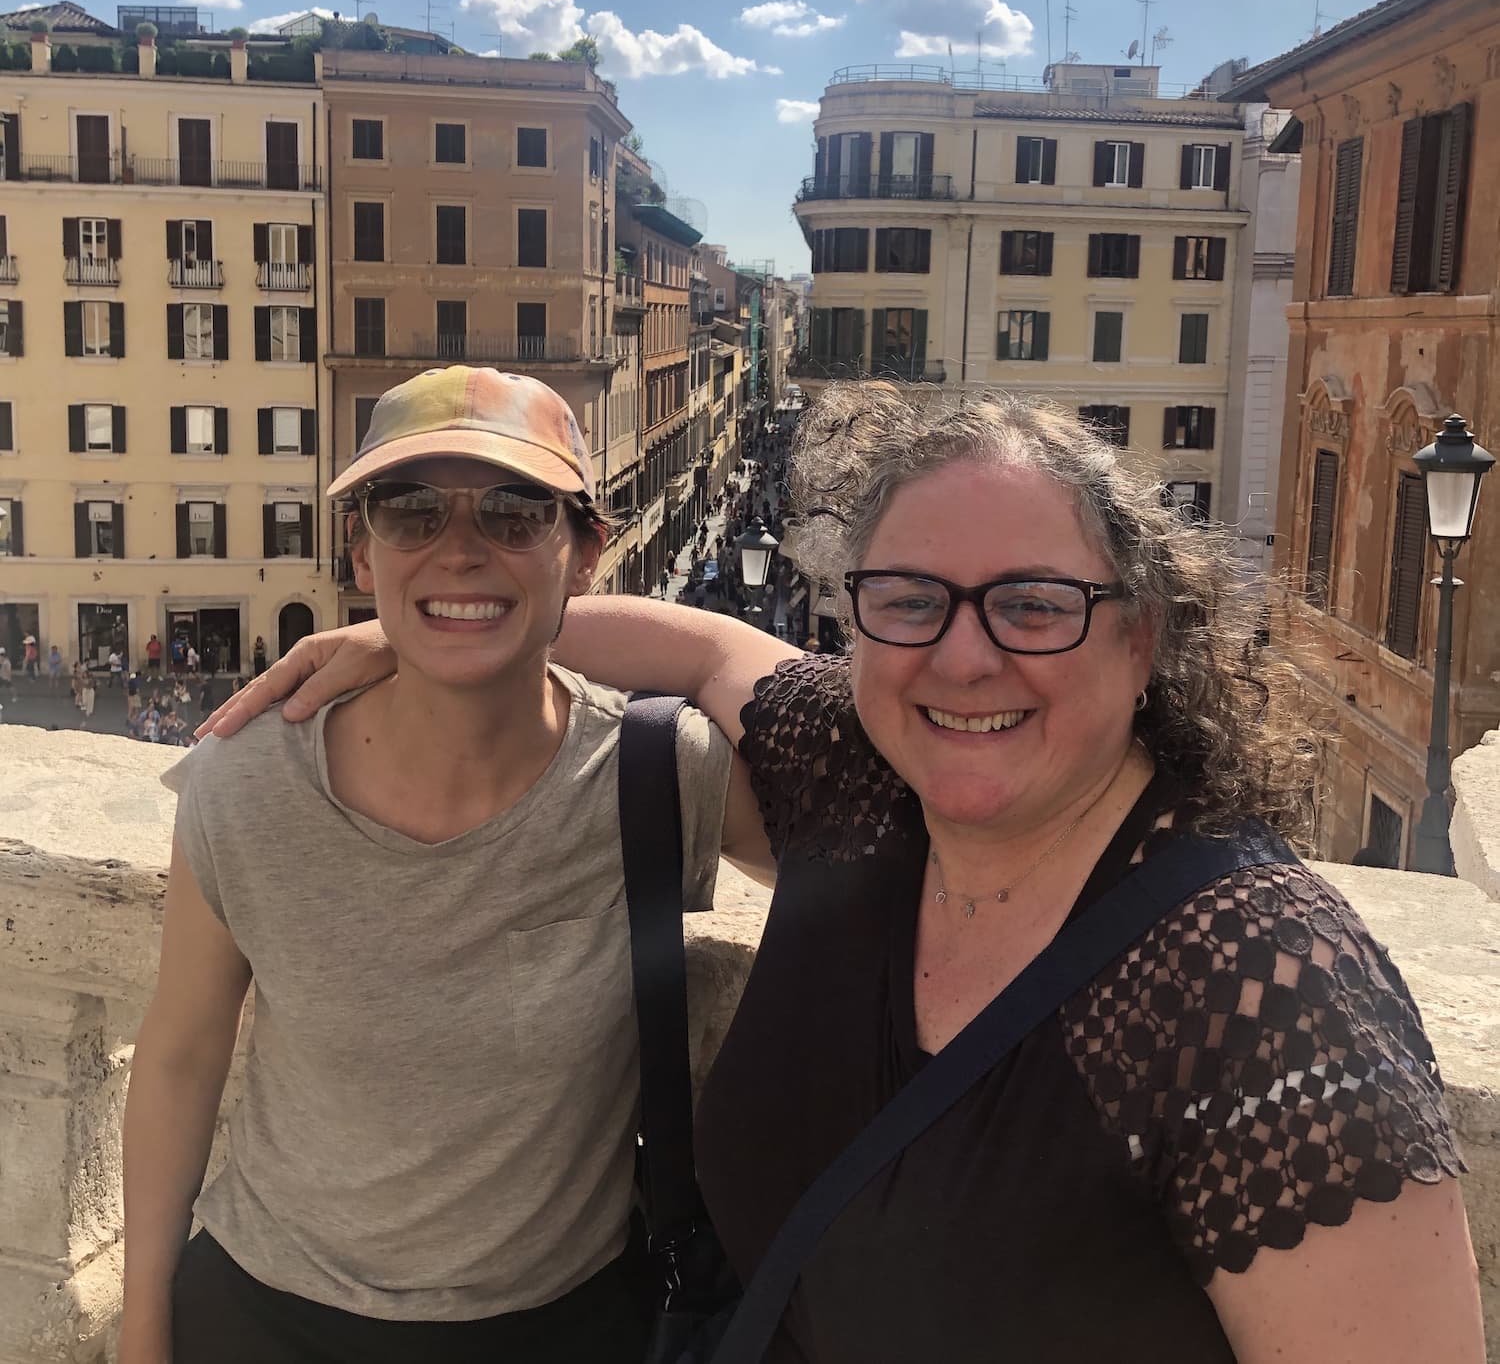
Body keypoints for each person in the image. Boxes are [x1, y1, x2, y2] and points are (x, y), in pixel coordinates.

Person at [213, 386, 1485, 1363]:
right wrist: (426, 631)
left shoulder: (1266, 986)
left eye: (1034, 605)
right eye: (911, 598)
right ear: (858, 618)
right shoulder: (870, 785)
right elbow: (701, 642)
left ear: (1146, 635)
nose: (965, 657)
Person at [123, 366, 762, 1364]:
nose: (459, 548)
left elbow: (889, 785)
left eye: (514, 516)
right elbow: (179, 1057)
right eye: (410, 512)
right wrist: (144, 1327)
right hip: (262, 1318)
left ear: (586, 551)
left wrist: (441, 623)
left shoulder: (656, 773)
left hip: (563, 1328)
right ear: (361, 550)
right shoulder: (244, 782)